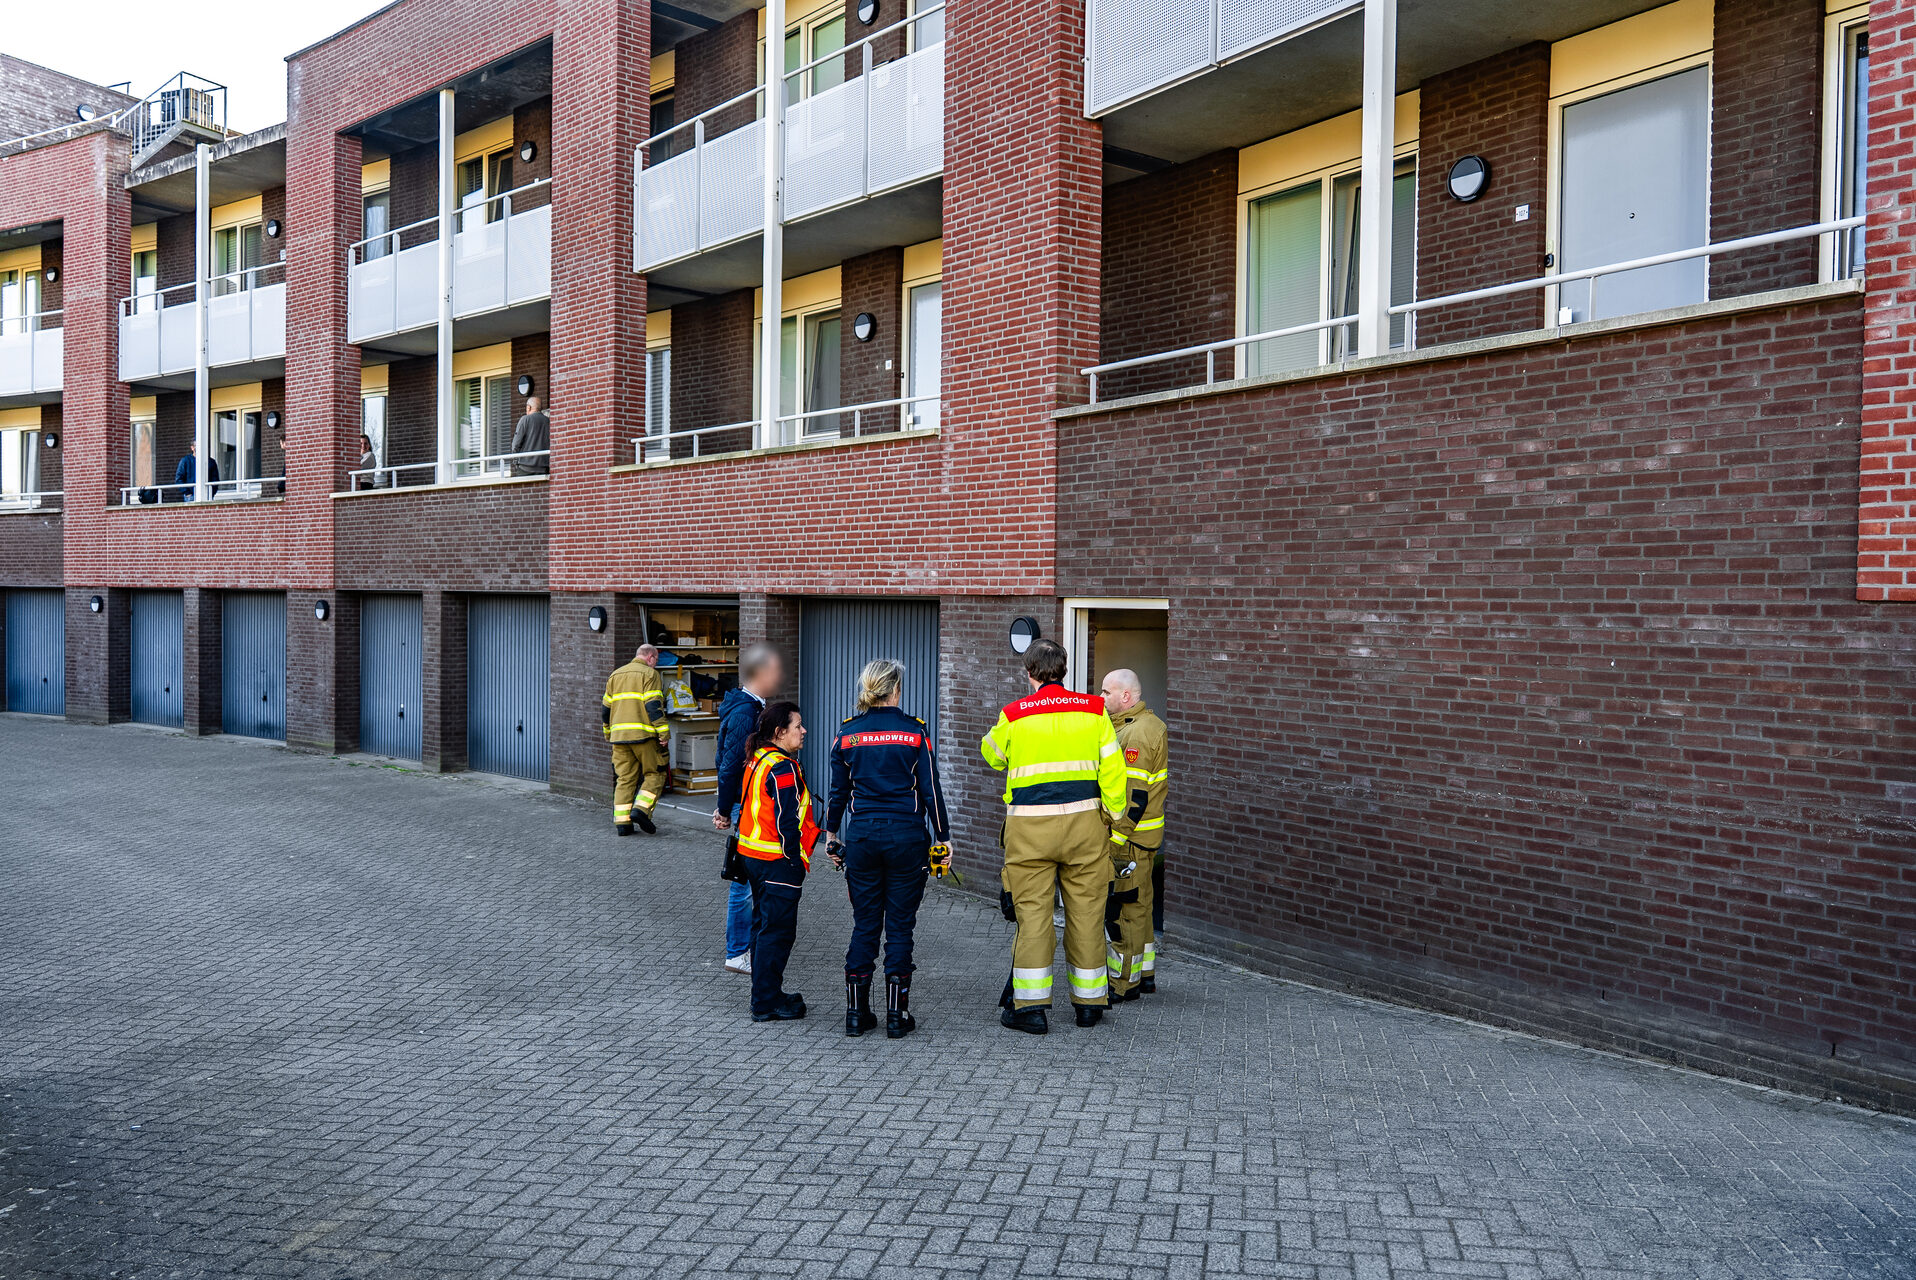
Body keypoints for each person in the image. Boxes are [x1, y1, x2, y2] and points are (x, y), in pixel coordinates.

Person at [980, 639, 1127, 1035]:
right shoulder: (1095, 712)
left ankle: (1030, 1009)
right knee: (1087, 914)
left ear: (1028, 674)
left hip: (1030, 831)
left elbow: (991, 754)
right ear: (1064, 671)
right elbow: (1114, 771)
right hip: (1085, 828)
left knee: (1033, 918)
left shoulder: (1014, 715)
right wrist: (1114, 817)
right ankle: (1089, 1005)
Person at [824, 658, 950, 1040]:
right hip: (907, 839)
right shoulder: (916, 733)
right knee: (899, 925)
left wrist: (831, 836)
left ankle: (856, 1015)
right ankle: (897, 1016)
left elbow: (837, 794)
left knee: (865, 924)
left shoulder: (847, 735)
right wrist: (943, 838)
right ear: (896, 690)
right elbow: (930, 790)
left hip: (861, 838)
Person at [735, 700, 818, 1021]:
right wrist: (794, 858)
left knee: (762, 927)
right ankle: (766, 1003)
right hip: (776, 860)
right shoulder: (782, 767)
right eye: (798, 726)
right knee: (777, 932)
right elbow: (786, 819)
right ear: (780, 732)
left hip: (753, 857)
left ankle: (765, 994)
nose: (803, 731)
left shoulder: (759, 758)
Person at [714, 643, 785, 975]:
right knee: (742, 882)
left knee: (748, 879)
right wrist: (724, 809)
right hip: (747, 804)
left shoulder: (754, 707)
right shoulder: (745, 713)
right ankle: (737, 952)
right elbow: (730, 766)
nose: (778, 677)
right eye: (773, 671)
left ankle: (744, 947)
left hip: (751, 803)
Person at [1099, 668, 1167, 1001]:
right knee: (1142, 906)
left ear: (1126, 697)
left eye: (1106, 692)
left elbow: (1133, 800)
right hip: (1145, 839)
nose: (1101, 697)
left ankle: (1124, 984)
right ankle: (1146, 974)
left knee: (1126, 911)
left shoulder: (1136, 735)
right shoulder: (1144, 726)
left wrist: (1114, 841)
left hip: (1131, 840)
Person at [602, 643, 670, 836]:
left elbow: (605, 709)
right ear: (651, 658)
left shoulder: (615, 675)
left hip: (619, 738)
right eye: (656, 661)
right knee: (655, 774)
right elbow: (653, 706)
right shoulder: (650, 675)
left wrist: (608, 732)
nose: (655, 664)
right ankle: (641, 810)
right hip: (644, 736)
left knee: (625, 779)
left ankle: (623, 824)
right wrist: (663, 733)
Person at [509, 396, 550, 475]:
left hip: (525, 467)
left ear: (529, 407)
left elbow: (515, 444)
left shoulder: (525, 420)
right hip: (543, 468)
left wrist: (516, 461)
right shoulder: (548, 421)